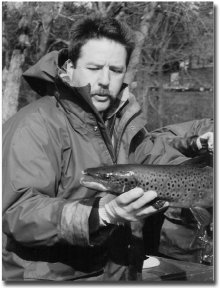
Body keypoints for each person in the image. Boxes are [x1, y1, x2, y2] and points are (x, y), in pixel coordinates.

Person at [2, 15, 213, 281]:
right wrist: (101, 214)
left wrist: (204, 153)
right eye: (94, 67)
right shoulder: (32, 125)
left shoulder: (124, 124)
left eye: (115, 70)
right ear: (70, 67)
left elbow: (168, 162)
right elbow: (18, 213)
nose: (104, 80)